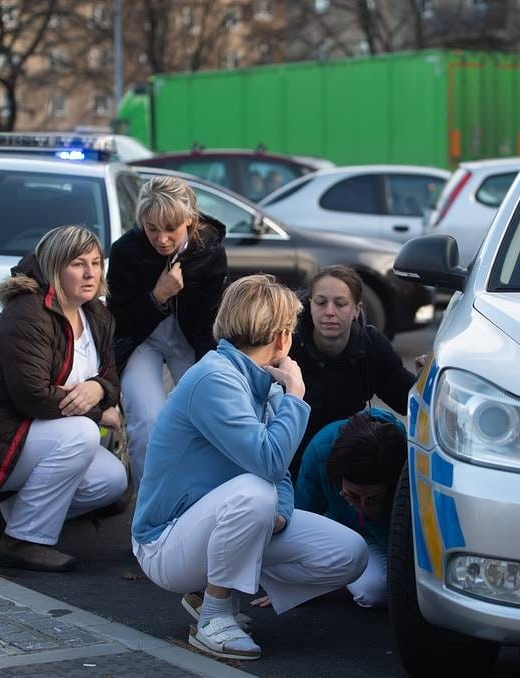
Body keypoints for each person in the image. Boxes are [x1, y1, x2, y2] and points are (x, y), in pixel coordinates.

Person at [130, 274, 368, 661]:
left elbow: (280, 472)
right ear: (280, 336)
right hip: (165, 544)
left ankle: (211, 589)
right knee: (255, 492)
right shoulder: (215, 378)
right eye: (290, 327)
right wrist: (296, 395)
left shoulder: (261, 380)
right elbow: (269, 460)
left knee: (349, 553)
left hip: (218, 527)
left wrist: (280, 514)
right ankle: (214, 616)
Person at [0, 226, 127, 572]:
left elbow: (112, 375)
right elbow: (32, 396)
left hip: (36, 435)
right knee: (82, 434)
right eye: (78, 264)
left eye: (95, 263)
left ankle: (8, 518)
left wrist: (101, 388)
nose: (91, 273)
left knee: (110, 480)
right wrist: (98, 412)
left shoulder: (96, 314)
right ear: (54, 268)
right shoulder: (27, 313)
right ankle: (24, 542)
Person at [106, 176, 228, 492]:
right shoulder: (125, 252)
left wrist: (212, 372)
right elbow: (120, 322)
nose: (161, 239)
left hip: (190, 340)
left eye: (170, 228)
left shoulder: (209, 249)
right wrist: (157, 296)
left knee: (207, 417)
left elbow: (211, 323)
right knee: (148, 423)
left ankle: (203, 499)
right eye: (151, 229)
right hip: (141, 339)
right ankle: (150, 507)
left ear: (189, 218)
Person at [289, 265, 415, 476]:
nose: (329, 312)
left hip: (345, 461)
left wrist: (429, 381)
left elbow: (408, 398)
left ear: (356, 309)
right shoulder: (286, 343)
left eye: (340, 304)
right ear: (310, 305)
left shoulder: (371, 345)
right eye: (320, 303)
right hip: (290, 460)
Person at [295, 408, 406, 608]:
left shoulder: (406, 458)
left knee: (389, 590)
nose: (362, 505)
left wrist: (376, 514)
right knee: (372, 590)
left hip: (390, 534)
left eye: (373, 497)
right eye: (353, 495)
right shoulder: (321, 449)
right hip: (343, 527)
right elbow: (303, 512)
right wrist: (289, 584)